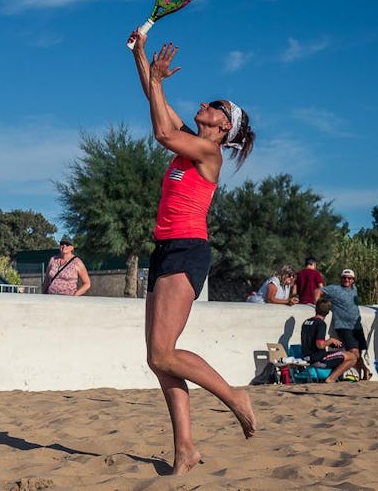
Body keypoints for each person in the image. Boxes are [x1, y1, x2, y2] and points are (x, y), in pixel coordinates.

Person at [129, 30, 256, 475]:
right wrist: (141, 54)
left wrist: (159, 78)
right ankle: (185, 448)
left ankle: (233, 396)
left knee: (164, 353)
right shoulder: (191, 139)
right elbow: (155, 97)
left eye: (217, 107)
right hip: (165, 249)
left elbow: (161, 130)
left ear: (224, 128)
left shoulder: (208, 152)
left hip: (187, 249)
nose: (208, 104)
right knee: (156, 356)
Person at [321, 268, 371, 380]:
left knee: (359, 353)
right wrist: (319, 305)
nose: (346, 280)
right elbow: (318, 290)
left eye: (349, 278)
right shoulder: (335, 289)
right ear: (340, 279)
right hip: (343, 326)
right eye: (344, 278)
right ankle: (365, 370)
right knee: (354, 352)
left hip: (356, 326)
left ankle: (364, 373)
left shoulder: (355, 289)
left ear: (353, 280)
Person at [299, 297, 358, 383]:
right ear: (328, 312)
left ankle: (335, 377)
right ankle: (331, 378)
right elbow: (320, 344)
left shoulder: (306, 322)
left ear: (316, 309)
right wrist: (331, 340)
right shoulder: (321, 324)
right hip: (318, 359)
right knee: (352, 357)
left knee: (339, 352)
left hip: (307, 357)